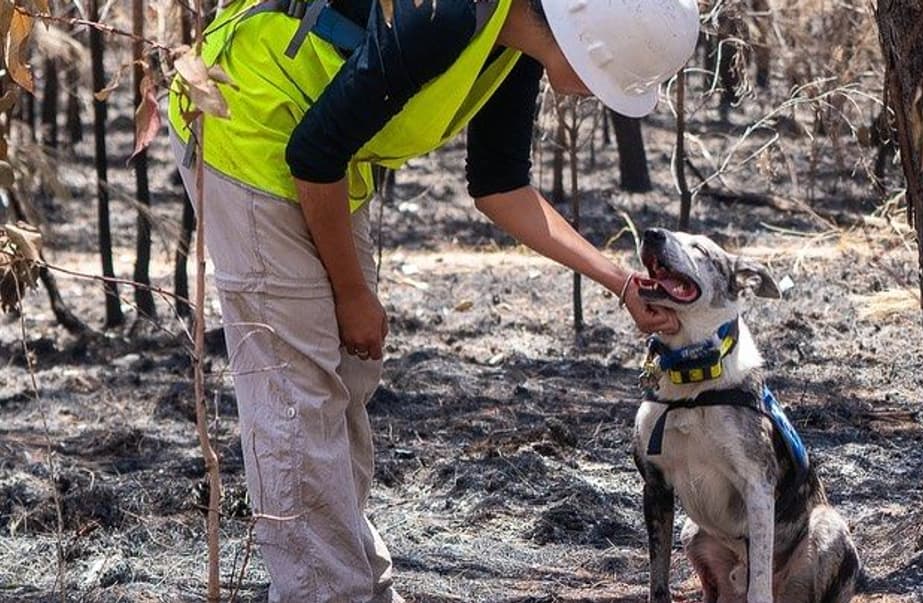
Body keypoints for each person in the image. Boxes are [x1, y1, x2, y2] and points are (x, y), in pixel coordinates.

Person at [167, 0, 699, 600]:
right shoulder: (445, 15)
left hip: (320, 154)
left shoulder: (516, 40)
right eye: (609, 82)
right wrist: (352, 294)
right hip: (248, 123)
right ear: (584, 45)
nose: (599, 98)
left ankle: (357, 583)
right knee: (298, 399)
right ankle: (326, 592)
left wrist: (621, 282)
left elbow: (501, 186)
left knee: (345, 379)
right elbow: (313, 156)